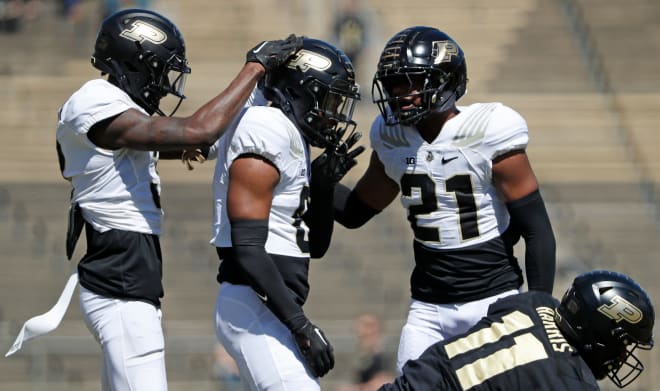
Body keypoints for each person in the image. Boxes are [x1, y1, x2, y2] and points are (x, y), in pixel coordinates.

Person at [54, 8, 302, 391]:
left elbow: (204, 142)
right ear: (133, 64)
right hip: (120, 289)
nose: (163, 83)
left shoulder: (115, 117)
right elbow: (197, 132)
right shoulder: (94, 98)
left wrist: (260, 100)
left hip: (126, 286)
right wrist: (253, 69)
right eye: (157, 70)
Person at [328, 26, 557, 373]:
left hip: (493, 301)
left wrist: (540, 306)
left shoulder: (488, 130)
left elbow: (537, 228)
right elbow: (354, 212)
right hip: (429, 307)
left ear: (447, 82)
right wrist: (314, 177)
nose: (400, 94)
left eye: (411, 82)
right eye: (393, 84)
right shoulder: (391, 138)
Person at [211, 37, 365, 390]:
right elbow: (247, 248)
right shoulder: (267, 127)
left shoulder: (290, 136)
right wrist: (302, 326)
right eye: (328, 100)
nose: (333, 114)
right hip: (254, 304)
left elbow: (316, 246)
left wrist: (323, 188)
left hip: (269, 306)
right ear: (298, 93)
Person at [378, 269, 655, 390]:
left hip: (414, 380)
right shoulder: (570, 381)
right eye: (624, 343)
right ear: (600, 332)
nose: (622, 355)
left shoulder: (536, 304)